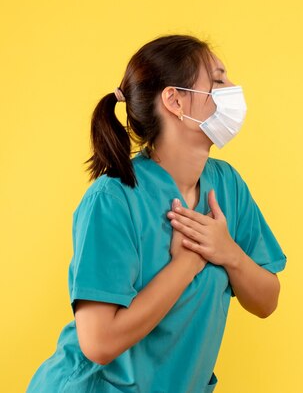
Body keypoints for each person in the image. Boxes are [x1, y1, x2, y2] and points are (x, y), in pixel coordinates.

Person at [26, 34, 287, 392]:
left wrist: (229, 254)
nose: (232, 90)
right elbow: (98, 343)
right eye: (218, 80)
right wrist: (189, 262)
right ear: (174, 100)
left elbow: (267, 301)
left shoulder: (227, 187)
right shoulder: (113, 200)